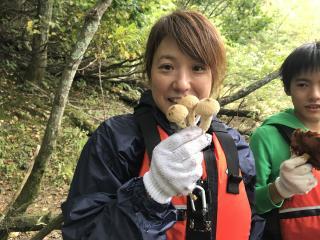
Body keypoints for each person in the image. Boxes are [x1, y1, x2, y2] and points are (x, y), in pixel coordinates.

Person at [61, 10, 258, 240]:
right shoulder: (116, 140)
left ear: (214, 76)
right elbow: (83, 233)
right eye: (167, 67)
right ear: (149, 73)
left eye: (198, 68)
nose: (182, 84)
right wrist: (150, 192)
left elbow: (255, 223)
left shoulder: (234, 144)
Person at [250, 41, 320, 240]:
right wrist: (279, 189)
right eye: (303, 84)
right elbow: (249, 202)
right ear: (287, 88)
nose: (315, 95)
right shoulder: (267, 136)